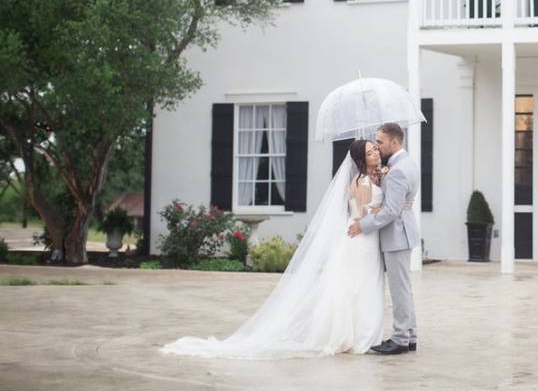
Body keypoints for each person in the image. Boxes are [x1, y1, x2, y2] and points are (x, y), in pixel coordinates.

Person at [159, 139, 385, 359]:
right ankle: (359, 336)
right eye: (370, 152)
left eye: (375, 149)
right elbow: (364, 214)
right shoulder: (364, 182)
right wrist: (386, 208)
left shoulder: (358, 179)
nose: (375, 153)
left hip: (355, 237)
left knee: (350, 287)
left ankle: (350, 334)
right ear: (360, 160)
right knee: (360, 285)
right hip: (361, 239)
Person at [348, 122, 420, 355]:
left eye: (380, 141)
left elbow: (390, 211)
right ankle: (410, 336)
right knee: (404, 288)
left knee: (400, 290)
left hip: (396, 234)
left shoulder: (397, 170)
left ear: (394, 142)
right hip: (402, 232)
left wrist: (363, 225)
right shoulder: (407, 162)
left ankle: (400, 339)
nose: (377, 146)